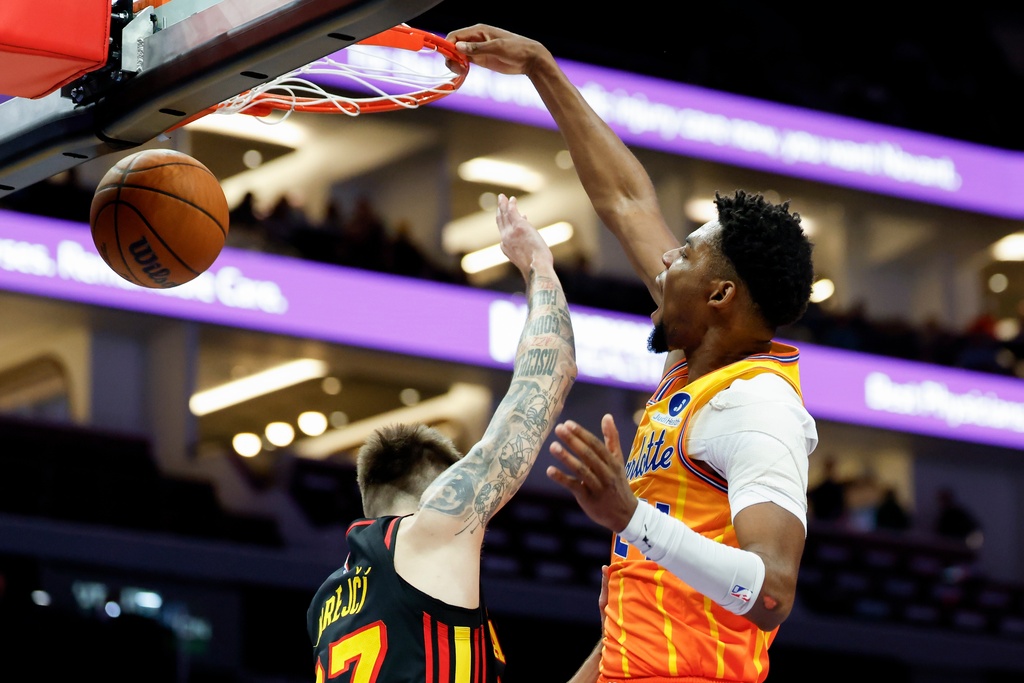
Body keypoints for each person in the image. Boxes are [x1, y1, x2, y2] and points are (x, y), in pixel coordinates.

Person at [446, 26, 818, 683]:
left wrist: (631, 516)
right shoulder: (695, 359)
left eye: (687, 255)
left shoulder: (758, 404)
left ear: (720, 294)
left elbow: (772, 593)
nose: (667, 257)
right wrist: (542, 68)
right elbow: (625, 201)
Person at [306, 194, 578, 681]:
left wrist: (611, 641)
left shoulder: (328, 602)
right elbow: (548, 376)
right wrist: (539, 264)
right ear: (440, 492)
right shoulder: (432, 530)